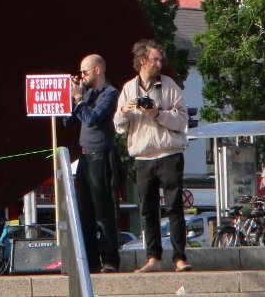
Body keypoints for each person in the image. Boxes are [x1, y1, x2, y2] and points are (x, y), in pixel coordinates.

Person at [114, 39, 191, 273]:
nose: (159, 63)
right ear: (142, 60)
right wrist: (125, 111)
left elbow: (182, 121)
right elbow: (118, 126)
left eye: (161, 59)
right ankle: (153, 258)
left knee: (174, 208)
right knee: (147, 211)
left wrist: (157, 113)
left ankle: (179, 258)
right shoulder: (128, 88)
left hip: (169, 154)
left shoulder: (170, 86)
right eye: (155, 59)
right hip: (143, 157)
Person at [68, 54, 121, 273]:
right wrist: (72, 99)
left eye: (85, 72)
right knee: (84, 211)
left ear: (98, 70)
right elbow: (69, 120)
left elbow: (93, 118)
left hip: (101, 154)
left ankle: (109, 260)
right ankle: (90, 261)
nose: (82, 76)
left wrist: (80, 100)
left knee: (103, 210)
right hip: (84, 156)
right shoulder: (87, 93)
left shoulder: (110, 93)